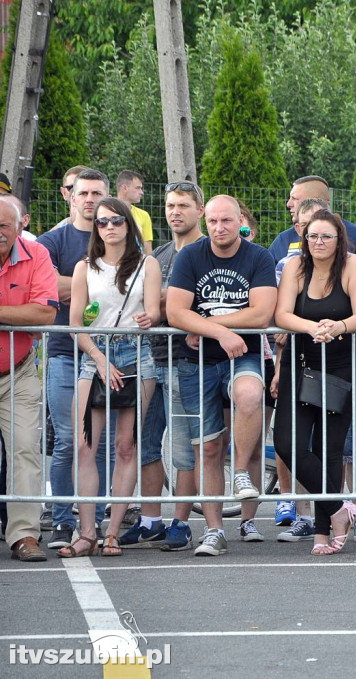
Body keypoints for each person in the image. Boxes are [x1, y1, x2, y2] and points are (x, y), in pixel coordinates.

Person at [166, 195, 278, 557]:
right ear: (205, 219)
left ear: (239, 220)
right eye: (213, 221)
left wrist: (212, 326)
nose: (219, 228)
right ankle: (214, 530)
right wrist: (222, 331)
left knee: (249, 396)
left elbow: (261, 313)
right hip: (195, 362)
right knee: (208, 448)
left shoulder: (258, 256)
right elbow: (175, 312)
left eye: (226, 221)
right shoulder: (190, 256)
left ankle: (242, 470)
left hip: (241, 355)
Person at [58, 198, 161, 558]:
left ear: (129, 225)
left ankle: (113, 532)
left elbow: (154, 312)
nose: (110, 227)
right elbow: (75, 325)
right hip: (95, 356)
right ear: (96, 228)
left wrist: (151, 319)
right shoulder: (84, 267)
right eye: (102, 222)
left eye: (117, 220)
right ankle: (86, 532)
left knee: (126, 446)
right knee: (85, 445)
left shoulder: (148, 265)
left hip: (136, 357)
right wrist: (100, 361)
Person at [274, 209, 356, 555]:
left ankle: (322, 533)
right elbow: (282, 313)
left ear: (339, 239)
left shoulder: (352, 265)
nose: (318, 242)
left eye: (326, 236)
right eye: (312, 235)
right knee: (287, 443)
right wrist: (311, 327)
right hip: (300, 365)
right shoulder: (295, 267)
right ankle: (339, 509)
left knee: (328, 449)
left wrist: (337, 326)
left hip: (342, 366)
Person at [122, 181, 207, 552]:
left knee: (184, 451)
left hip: (189, 363)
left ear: (199, 211)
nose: (175, 212)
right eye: (170, 205)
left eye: (184, 205)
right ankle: (151, 520)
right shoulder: (157, 254)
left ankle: (182, 523)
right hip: (151, 360)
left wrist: (164, 304)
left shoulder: (208, 252)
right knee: (144, 443)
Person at [36, 168, 115, 550]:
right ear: (70, 196)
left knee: (104, 443)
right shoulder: (52, 241)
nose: (89, 199)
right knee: (69, 439)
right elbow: (47, 286)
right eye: (82, 193)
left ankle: (95, 521)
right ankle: (62, 519)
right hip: (66, 355)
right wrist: (96, 284)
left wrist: (77, 288)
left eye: (96, 193)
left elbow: (136, 286)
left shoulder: (118, 238)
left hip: (114, 357)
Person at [0, 199, 58, 561]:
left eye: (4, 225)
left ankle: (24, 535)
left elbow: (45, 313)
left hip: (17, 371)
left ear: (20, 226)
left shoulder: (37, 255)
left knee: (25, 449)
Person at [269, 176, 356, 278]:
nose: (289, 204)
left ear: (315, 201)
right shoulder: (283, 239)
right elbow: (268, 276)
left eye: (295, 198)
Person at [116, 170, 153, 254]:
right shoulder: (107, 212)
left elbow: (148, 251)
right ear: (125, 188)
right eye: (138, 188)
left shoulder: (144, 215)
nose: (142, 192)